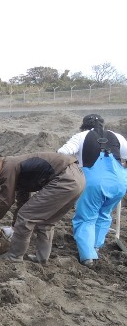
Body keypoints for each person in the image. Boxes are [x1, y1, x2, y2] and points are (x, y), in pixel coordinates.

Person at [0, 152, 85, 264]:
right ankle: (41, 258)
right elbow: (23, 199)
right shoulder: (17, 166)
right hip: (78, 179)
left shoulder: (7, 167)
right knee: (46, 221)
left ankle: (14, 256)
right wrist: (14, 227)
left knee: (25, 216)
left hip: (64, 179)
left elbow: (6, 200)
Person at [58, 114, 127, 267]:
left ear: (83, 126)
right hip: (119, 182)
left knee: (86, 217)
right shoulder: (117, 137)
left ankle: (88, 256)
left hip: (93, 182)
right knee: (103, 214)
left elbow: (62, 152)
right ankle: (95, 246)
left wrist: (74, 165)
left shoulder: (80, 136)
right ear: (103, 125)